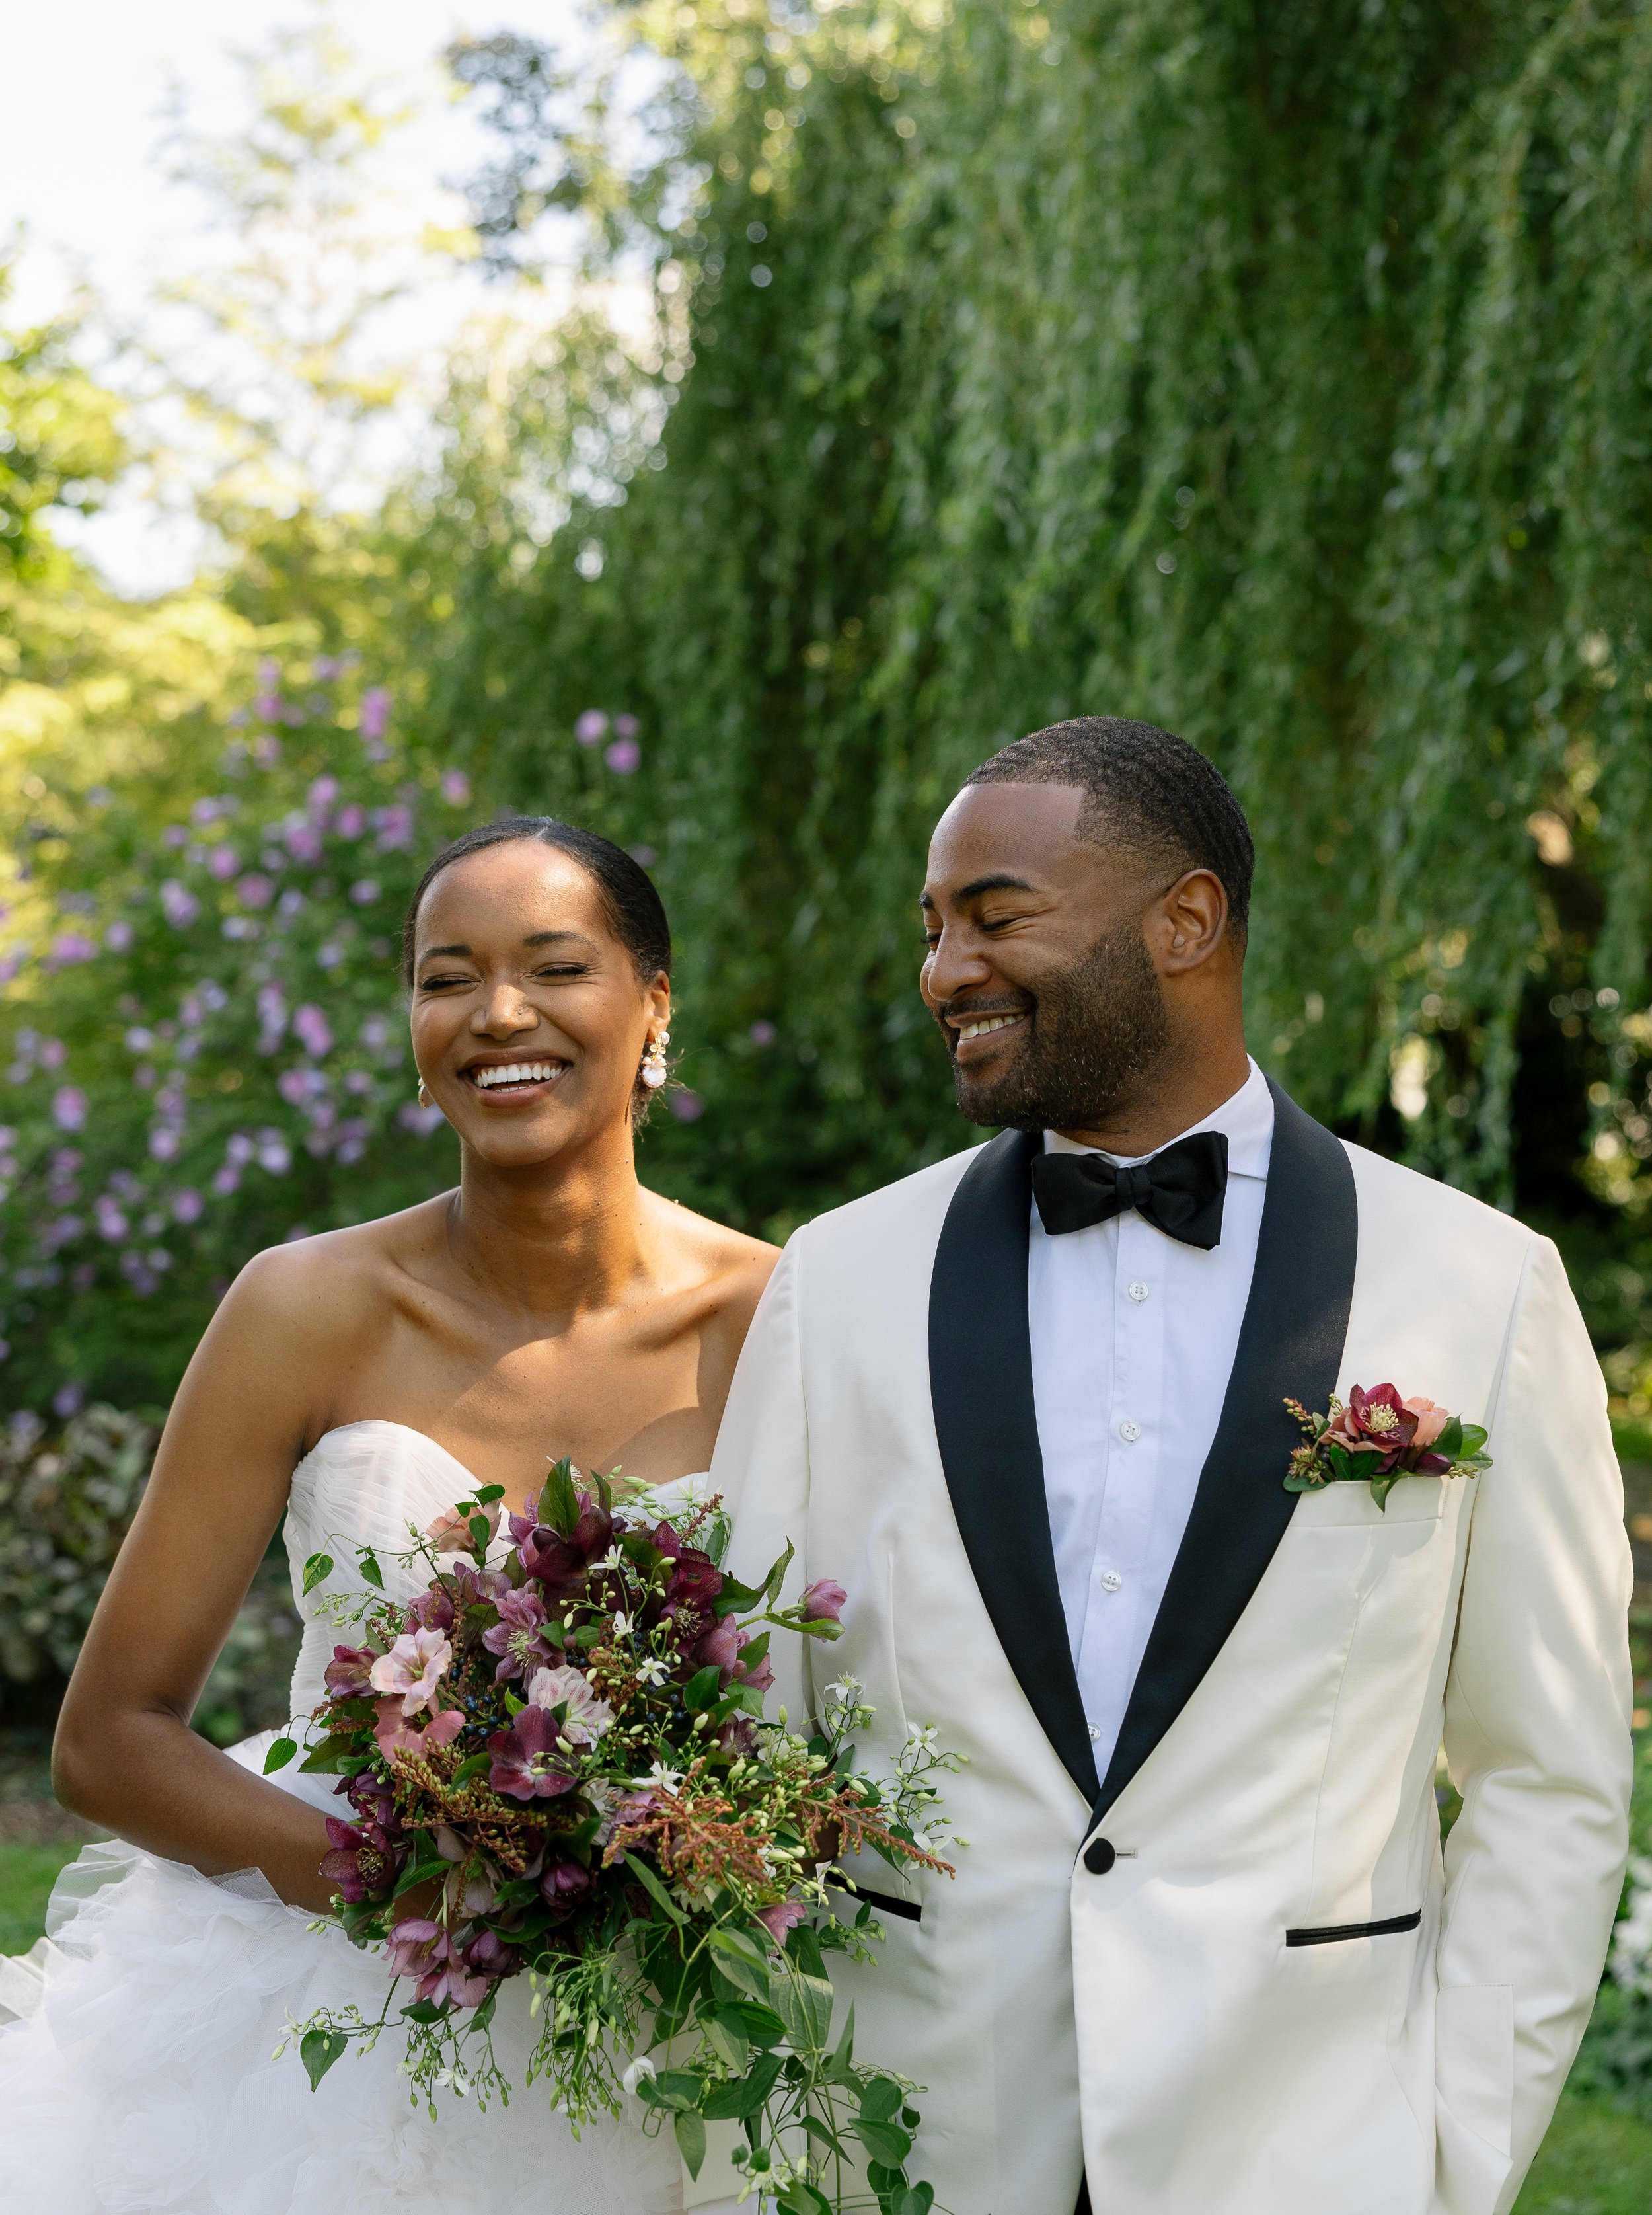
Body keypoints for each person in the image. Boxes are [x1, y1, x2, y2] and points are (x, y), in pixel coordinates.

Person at [710, 717, 1634, 2215]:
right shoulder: (838, 1281)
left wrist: (1450, 2159)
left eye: (996, 916)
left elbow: (1549, 1773)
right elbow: (742, 1746)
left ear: (1185, 919)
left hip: (1309, 2155)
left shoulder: (1480, 1283)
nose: (945, 967)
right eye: (934, 927)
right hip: (911, 2148)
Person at [0, 818, 776, 2215]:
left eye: (554, 965)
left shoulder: (780, 1316)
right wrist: (413, 1894)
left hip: (668, 2005)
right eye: (445, 977)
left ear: (652, 1003)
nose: (497, 1015)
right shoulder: (301, 1308)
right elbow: (108, 1740)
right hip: (321, 2009)